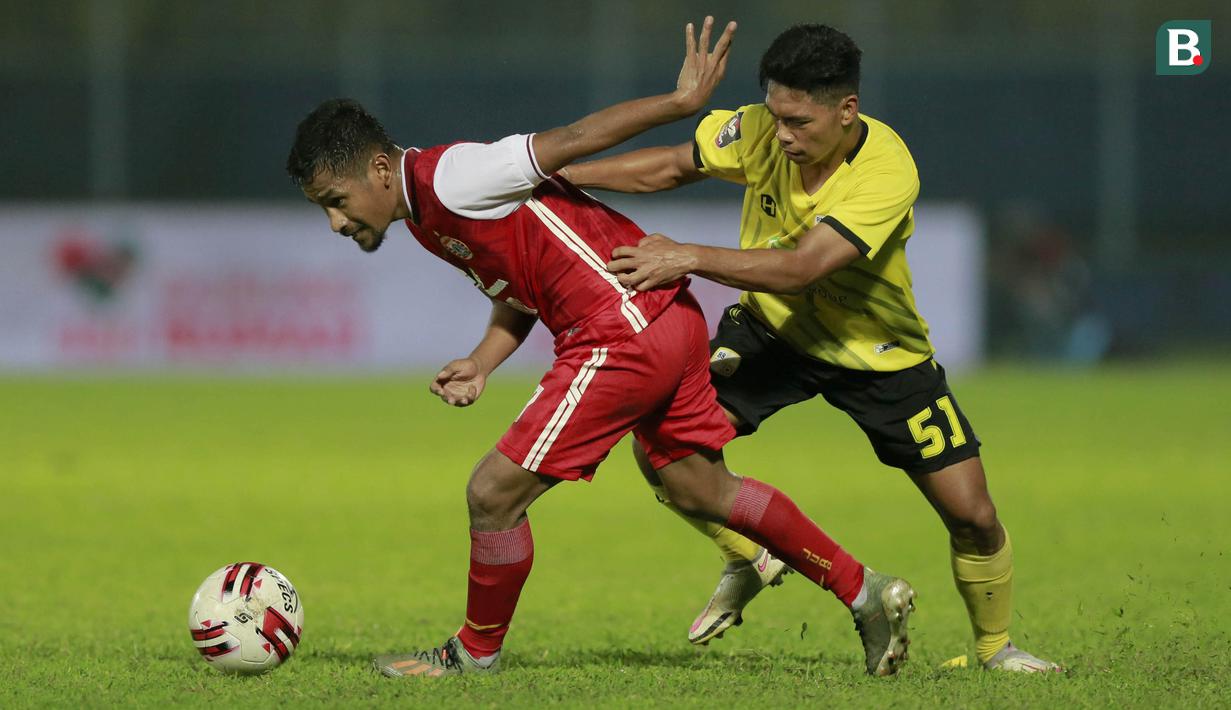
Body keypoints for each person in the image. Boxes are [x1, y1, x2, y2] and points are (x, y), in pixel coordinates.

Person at [285, 18, 915, 678]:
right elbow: (523, 288)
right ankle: (865, 591)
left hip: (620, 332)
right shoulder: (425, 207)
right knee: (702, 488)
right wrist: (482, 360)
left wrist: (680, 104)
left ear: (378, 170)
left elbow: (574, 138)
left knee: (492, 494)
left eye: (336, 200)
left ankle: (473, 652)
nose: (335, 221)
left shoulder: (451, 177)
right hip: (662, 317)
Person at [562, 23, 1061, 673]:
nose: (782, 135)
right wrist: (561, 175)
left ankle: (996, 649)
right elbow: (673, 165)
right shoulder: (759, 130)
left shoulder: (885, 170)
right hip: (771, 332)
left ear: (846, 109)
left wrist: (687, 255)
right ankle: (747, 556)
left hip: (877, 354)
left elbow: (803, 267)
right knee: (663, 446)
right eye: (775, 115)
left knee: (972, 515)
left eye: (798, 121)